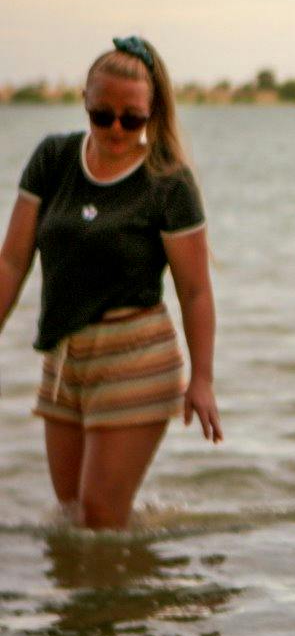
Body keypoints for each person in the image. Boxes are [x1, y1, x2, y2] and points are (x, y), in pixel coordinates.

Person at [0, 37, 222, 529]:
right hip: (64, 359)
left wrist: (202, 379)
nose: (116, 128)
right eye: (103, 115)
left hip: (136, 356)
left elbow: (195, 291)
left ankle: (134, 593)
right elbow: (13, 261)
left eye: (132, 118)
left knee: (100, 517)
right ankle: (104, 599)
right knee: (72, 519)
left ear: (152, 112)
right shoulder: (54, 159)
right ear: (84, 100)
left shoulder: (168, 181)